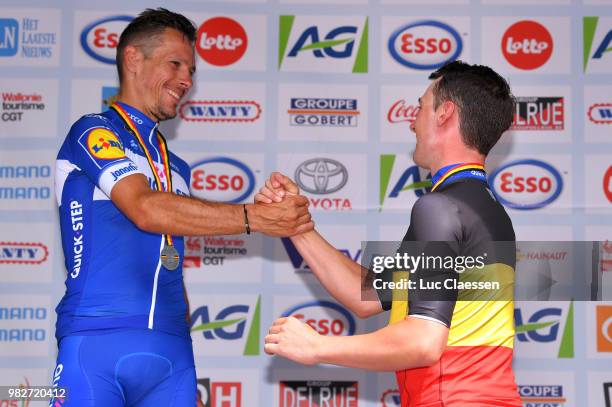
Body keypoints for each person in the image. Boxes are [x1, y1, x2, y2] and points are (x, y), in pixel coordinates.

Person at [51, 8, 313, 407]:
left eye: (190, 69)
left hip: (171, 355)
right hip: (97, 342)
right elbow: (143, 208)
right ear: (133, 59)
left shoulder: (176, 166)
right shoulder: (94, 131)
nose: (186, 80)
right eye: (175, 64)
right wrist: (254, 218)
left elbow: (169, 258)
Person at [256, 61, 522, 406]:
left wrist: (318, 346)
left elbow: (424, 342)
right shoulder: (481, 207)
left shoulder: (440, 209)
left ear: (445, 113)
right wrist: (294, 224)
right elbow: (365, 295)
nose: (412, 122)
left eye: (421, 107)